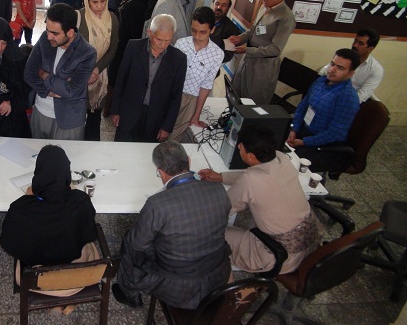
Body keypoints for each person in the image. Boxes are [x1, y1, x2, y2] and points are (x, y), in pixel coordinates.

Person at [112, 141, 231, 309]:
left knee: (130, 241)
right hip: (217, 275)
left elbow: (138, 244)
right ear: (189, 161)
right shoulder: (218, 189)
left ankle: (129, 294)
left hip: (178, 287)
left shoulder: (157, 203)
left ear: (161, 172)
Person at [199, 125, 321, 274]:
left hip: (280, 257)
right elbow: (254, 176)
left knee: (208, 235)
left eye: (241, 148)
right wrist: (220, 177)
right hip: (309, 245)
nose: (238, 149)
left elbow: (221, 210)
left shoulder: (250, 180)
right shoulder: (281, 158)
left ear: (250, 156)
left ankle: (233, 266)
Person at [1, 145, 98, 315]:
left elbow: (8, 242)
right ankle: (66, 301)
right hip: (78, 277)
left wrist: (29, 196)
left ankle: (53, 301)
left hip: (38, 280)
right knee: (86, 241)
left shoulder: (20, 209)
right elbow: (89, 231)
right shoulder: (81, 201)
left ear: (38, 174)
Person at [24, 3, 97, 140]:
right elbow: (28, 73)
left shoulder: (87, 53)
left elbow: (70, 91)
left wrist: (44, 74)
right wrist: (48, 90)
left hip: (69, 120)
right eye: (48, 30)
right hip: (40, 112)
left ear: (70, 32)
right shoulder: (44, 39)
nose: (49, 37)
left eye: (55, 33)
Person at [111, 14, 186, 142]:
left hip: (155, 120)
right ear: (150, 33)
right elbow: (121, 80)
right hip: (128, 114)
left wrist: (167, 127)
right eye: (159, 39)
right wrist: (115, 110)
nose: (162, 45)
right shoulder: (133, 47)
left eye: (167, 40)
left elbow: (176, 97)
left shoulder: (179, 59)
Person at [287, 48, 361, 173]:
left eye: (340, 68)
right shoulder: (321, 81)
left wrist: (303, 142)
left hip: (324, 144)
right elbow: (303, 106)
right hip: (305, 131)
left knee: (289, 163)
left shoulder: (348, 97)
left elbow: (334, 134)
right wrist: (294, 129)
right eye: (332, 64)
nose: (332, 69)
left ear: (350, 73)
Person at [229, 0, 296, 105]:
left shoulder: (286, 18)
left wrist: (247, 50)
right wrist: (239, 38)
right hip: (248, 58)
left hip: (263, 65)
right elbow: (253, 30)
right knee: (236, 93)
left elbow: (275, 49)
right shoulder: (264, 7)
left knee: (252, 102)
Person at [170, 7, 224, 142]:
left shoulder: (217, 54)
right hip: (171, 94)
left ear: (212, 30)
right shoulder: (181, 44)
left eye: (203, 32)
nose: (197, 36)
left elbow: (206, 86)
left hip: (191, 99)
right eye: (194, 30)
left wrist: (196, 115)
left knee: (174, 138)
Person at [77, 0, 119, 140]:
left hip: (100, 78)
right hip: (79, 76)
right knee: (77, 118)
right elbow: (72, 50)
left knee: (94, 119)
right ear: (87, 0)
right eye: (94, 2)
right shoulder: (79, 17)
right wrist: (86, 71)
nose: (99, 6)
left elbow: (113, 48)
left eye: (103, 1)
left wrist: (96, 69)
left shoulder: (112, 19)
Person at [318, 28, 384, 103]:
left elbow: (361, 97)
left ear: (370, 49)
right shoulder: (344, 57)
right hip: (329, 94)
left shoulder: (376, 69)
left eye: (360, 43)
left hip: (348, 102)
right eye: (355, 41)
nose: (355, 45)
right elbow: (323, 74)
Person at [212, 0, 240, 64]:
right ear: (213, 4)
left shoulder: (232, 29)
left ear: (228, 8)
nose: (219, 7)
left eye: (223, 5)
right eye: (217, 4)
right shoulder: (203, 19)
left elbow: (227, 55)